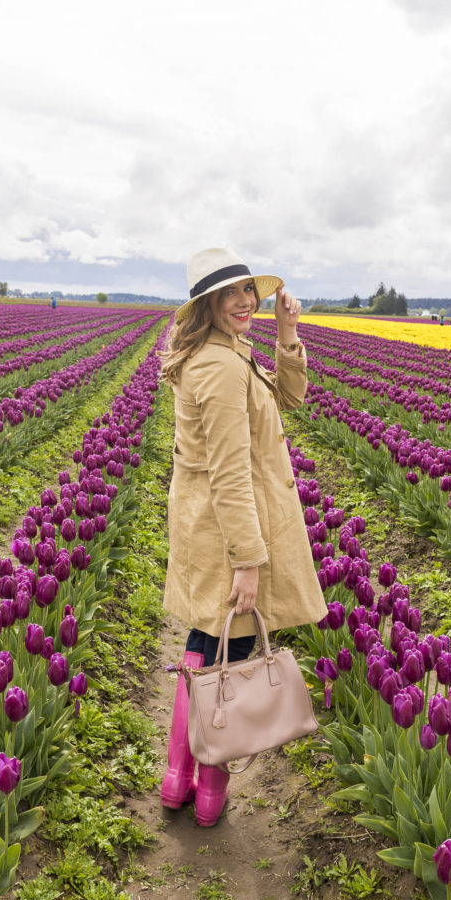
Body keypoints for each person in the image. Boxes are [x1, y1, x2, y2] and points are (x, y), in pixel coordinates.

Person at [159, 246, 327, 827]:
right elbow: (231, 472)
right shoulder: (222, 366)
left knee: (205, 645)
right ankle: (208, 789)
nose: (244, 302)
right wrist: (249, 561)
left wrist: (287, 334)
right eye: (231, 294)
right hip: (227, 528)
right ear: (207, 303)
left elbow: (289, 399)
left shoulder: (221, 356)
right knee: (224, 658)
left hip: (205, 527)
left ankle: (179, 778)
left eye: (248, 291)